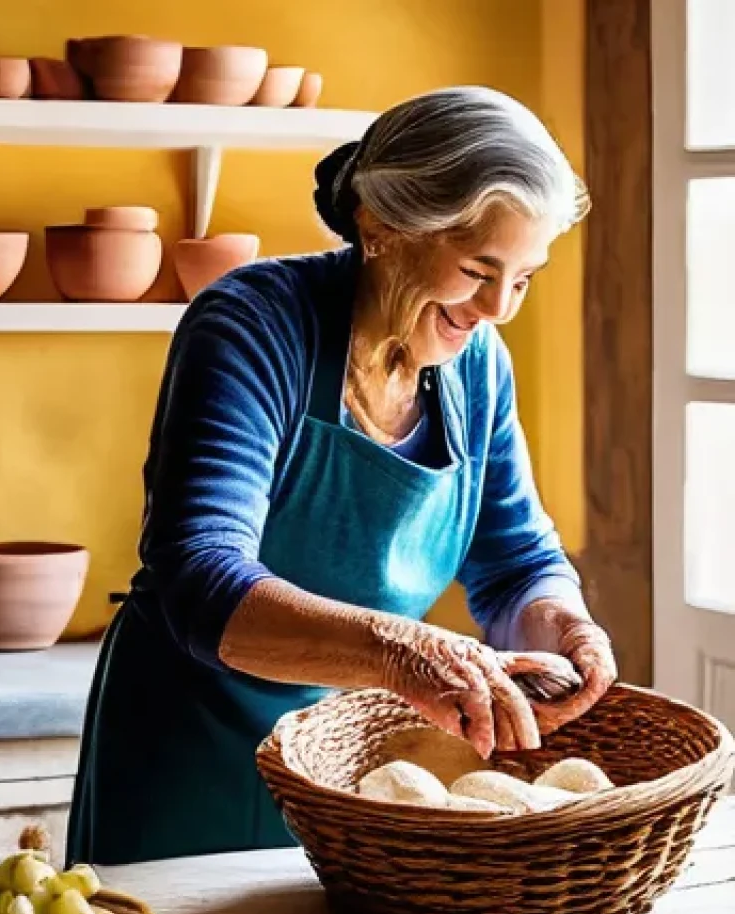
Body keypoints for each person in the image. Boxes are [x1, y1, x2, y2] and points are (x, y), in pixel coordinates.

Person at [66, 86, 617, 868]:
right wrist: (400, 653)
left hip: (358, 767)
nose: (498, 309)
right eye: (477, 269)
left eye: (524, 279)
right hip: (193, 754)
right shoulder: (254, 325)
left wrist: (564, 623)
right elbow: (198, 574)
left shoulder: (478, 365)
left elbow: (515, 563)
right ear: (381, 227)